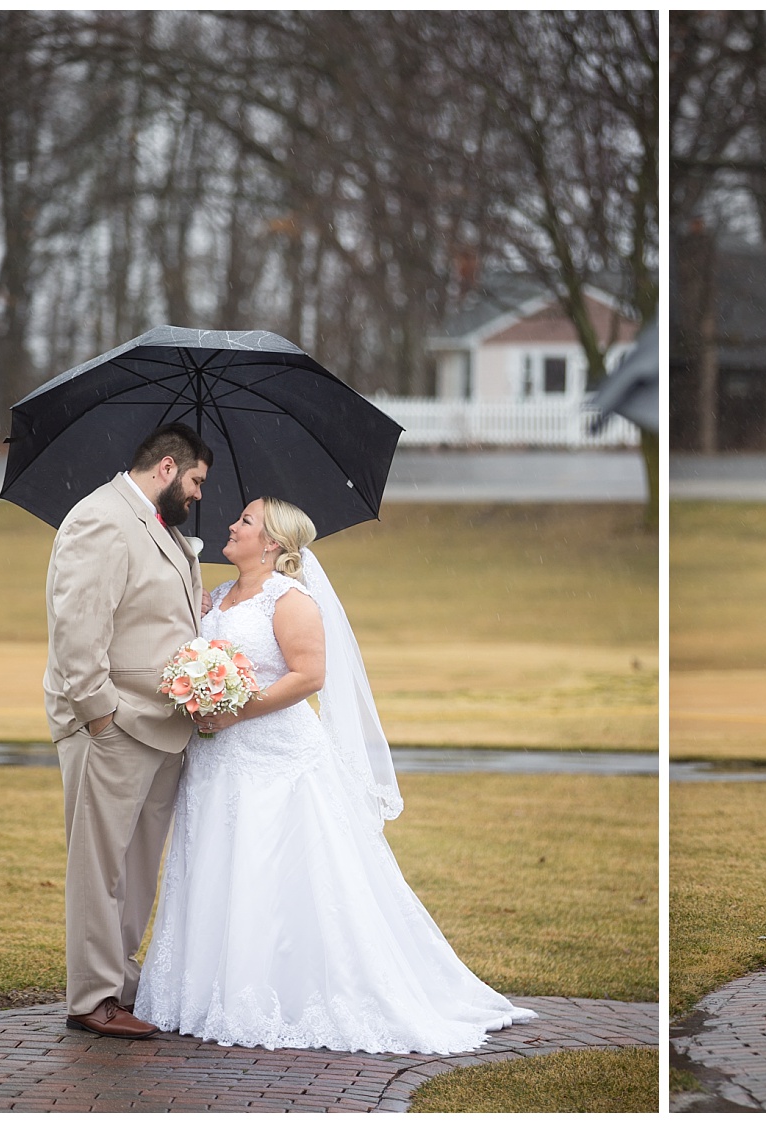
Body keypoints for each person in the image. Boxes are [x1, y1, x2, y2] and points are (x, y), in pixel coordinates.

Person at [135, 496, 536, 1053]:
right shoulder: (220, 595)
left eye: (245, 521)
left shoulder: (290, 598)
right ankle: (207, 992)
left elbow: (310, 674)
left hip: (276, 756)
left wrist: (236, 709)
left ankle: (284, 991)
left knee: (280, 867)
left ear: (271, 542)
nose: (231, 524)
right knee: (217, 860)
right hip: (215, 759)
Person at [45, 422, 213, 1040]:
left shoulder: (163, 529)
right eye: (195, 480)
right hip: (113, 726)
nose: (197, 494)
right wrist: (98, 713)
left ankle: (118, 981)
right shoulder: (101, 519)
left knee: (139, 869)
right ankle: (91, 997)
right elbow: (77, 625)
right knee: (99, 867)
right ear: (167, 468)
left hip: (164, 726)